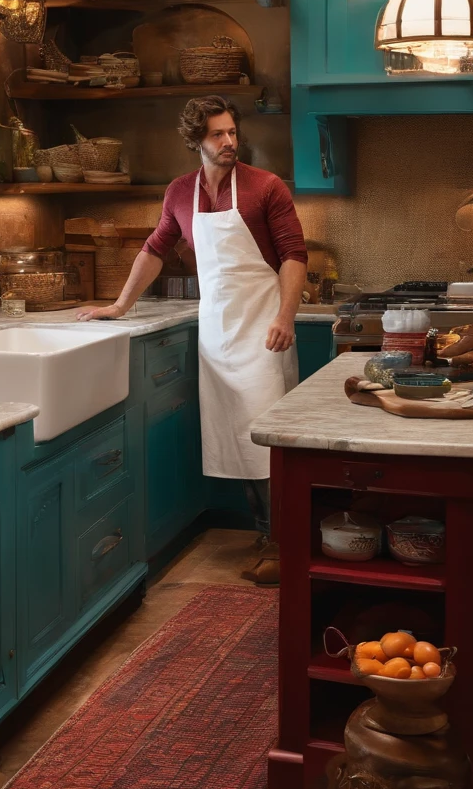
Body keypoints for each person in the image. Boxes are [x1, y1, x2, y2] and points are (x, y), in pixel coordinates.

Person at [77, 95, 307, 584]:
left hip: (266, 328)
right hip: (219, 330)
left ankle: (285, 542)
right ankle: (268, 536)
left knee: (268, 441)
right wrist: (119, 306)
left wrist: (286, 316)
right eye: (216, 135)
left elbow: (293, 255)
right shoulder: (180, 193)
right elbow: (155, 249)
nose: (228, 142)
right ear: (195, 141)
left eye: (232, 132)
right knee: (240, 441)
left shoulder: (267, 187)